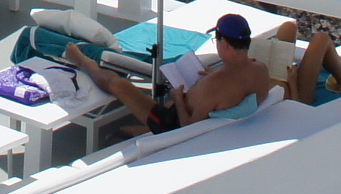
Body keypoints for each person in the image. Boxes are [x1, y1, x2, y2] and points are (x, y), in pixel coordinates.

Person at [65, 14, 276, 131]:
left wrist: (178, 98)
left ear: (225, 44)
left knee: (119, 85)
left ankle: (79, 58)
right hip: (222, 124)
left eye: (217, 40)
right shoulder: (261, 70)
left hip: (169, 122)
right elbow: (238, 93)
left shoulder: (214, 84)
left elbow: (187, 127)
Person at [236, 15, 341, 104]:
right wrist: (292, 81)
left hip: (273, 81)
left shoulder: (224, 82)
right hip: (295, 97)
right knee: (321, 39)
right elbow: (294, 108)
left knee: (287, 28)